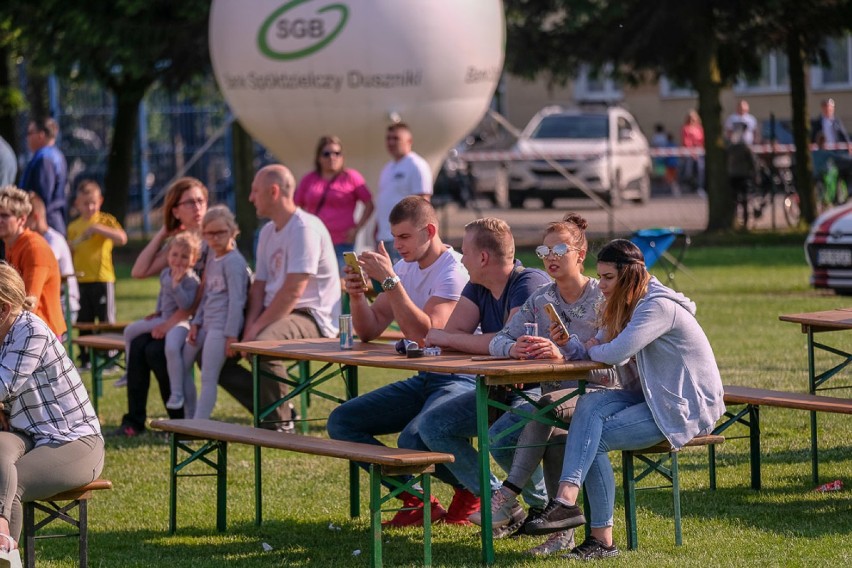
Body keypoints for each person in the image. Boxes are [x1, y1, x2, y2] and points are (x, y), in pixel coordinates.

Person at [524, 239, 725, 561]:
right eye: (600, 276)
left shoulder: (657, 307)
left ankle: (597, 537)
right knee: (587, 407)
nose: (599, 284)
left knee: (594, 438)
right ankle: (566, 502)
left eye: (607, 278)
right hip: (649, 399)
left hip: (684, 409)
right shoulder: (624, 305)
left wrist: (590, 348)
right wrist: (571, 344)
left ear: (628, 276)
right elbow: (596, 347)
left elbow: (615, 352)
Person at [471, 215, 622, 556]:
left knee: (547, 412)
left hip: (601, 395)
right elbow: (498, 339)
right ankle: (561, 533)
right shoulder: (541, 298)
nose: (550, 257)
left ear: (580, 254)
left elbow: (615, 366)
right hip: (556, 398)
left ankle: (508, 494)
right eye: (544, 250)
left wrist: (564, 355)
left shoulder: (604, 296)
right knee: (526, 431)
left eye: (559, 249)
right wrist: (514, 347)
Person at [326, 195, 470, 526]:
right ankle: (417, 500)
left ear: (429, 231)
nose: (398, 246)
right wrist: (358, 294)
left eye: (405, 237)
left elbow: (427, 335)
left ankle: (472, 490)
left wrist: (390, 282)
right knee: (342, 422)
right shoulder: (404, 267)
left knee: (413, 437)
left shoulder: (454, 271)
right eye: (395, 238)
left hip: (461, 378)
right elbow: (368, 330)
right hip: (426, 378)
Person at [411, 217, 551, 532]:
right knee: (432, 426)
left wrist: (453, 339)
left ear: (483, 257)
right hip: (496, 389)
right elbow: (457, 333)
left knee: (503, 436)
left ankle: (543, 508)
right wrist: (465, 340)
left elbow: (507, 341)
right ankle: (503, 504)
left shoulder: (529, 282)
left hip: (540, 390)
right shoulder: (477, 285)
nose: (461, 258)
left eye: (465, 251)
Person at [218, 164, 340, 432]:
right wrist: (249, 327)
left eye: (255, 191)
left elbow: (292, 291)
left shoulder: (305, 228)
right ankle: (280, 410)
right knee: (216, 350)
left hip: (312, 317)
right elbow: (259, 287)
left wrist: (254, 332)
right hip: (276, 313)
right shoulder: (267, 233)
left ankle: (279, 423)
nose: (251, 197)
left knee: (262, 347)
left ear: (274, 191)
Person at [0, 262, 104, 556]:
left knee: (11, 483)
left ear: (3, 309)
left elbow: (3, 386)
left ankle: (4, 549)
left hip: (75, 441)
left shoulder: (30, 330)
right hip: (28, 433)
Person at [114, 177, 209, 436]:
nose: (198, 207)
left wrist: (168, 323)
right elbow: (139, 271)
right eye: (190, 202)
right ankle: (134, 422)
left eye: (201, 201)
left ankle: (179, 422)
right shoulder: (176, 244)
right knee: (139, 343)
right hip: (173, 317)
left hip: (196, 319)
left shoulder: (210, 243)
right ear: (175, 210)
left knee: (155, 350)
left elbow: (200, 298)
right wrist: (164, 232)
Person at [121, 232, 200, 414]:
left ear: (193, 260)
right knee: (130, 331)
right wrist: (157, 311)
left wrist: (177, 285)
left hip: (180, 323)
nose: (178, 260)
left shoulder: (191, 280)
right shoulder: (165, 273)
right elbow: (163, 296)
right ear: (168, 256)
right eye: (174, 255)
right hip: (163, 316)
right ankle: (128, 371)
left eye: (184, 256)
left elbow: (186, 305)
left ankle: (177, 393)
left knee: (171, 347)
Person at [182, 206, 249, 419]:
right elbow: (207, 294)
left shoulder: (234, 262)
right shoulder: (213, 258)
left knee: (208, 377)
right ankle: (186, 415)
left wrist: (231, 335)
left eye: (221, 232)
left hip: (221, 329)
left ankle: (199, 423)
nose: (215, 238)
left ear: (233, 231)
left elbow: (237, 301)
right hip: (205, 324)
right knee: (180, 365)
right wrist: (196, 322)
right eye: (209, 233)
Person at [67, 180, 127, 368]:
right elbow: (71, 251)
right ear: (77, 204)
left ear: (100, 201)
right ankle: (85, 358)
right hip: (81, 280)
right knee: (84, 321)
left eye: (93, 202)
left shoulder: (105, 220)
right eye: (85, 203)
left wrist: (98, 229)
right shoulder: (73, 227)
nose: (90, 207)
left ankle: (110, 358)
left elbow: (122, 239)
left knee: (105, 321)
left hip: (102, 279)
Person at [294, 135, 375, 271]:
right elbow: (295, 206)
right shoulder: (309, 179)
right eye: (326, 154)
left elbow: (369, 204)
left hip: (343, 242)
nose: (332, 157)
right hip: (314, 240)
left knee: (344, 283)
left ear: (342, 157)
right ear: (319, 158)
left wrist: (357, 229)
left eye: (337, 153)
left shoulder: (351, 177)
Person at [0, 186, 65, 339]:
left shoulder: (34, 248)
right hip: (23, 328)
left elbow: (29, 303)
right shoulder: (11, 243)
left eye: (4, 216)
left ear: (22, 219)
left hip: (42, 333)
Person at [375, 123, 433, 262]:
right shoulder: (387, 168)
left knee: (401, 282)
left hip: (404, 239)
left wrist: (416, 239)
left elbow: (423, 204)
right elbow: (384, 201)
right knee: (386, 281)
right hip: (385, 236)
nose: (391, 142)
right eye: (388, 138)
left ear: (409, 141)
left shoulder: (416, 165)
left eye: (395, 138)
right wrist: (376, 230)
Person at [26, 192, 80, 324]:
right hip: (43, 304)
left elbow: (43, 271)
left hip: (64, 306)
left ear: (35, 217)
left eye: (23, 218)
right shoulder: (33, 241)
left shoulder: (53, 240)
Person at [19, 117, 68, 235]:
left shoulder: (45, 159)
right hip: (51, 221)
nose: (27, 138)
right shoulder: (56, 155)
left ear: (41, 135)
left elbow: (41, 197)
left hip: (45, 224)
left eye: (30, 133)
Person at [680, 110, 705, 192]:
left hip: (699, 152)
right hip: (689, 152)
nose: (692, 120)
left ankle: (700, 187)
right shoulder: (685, 128)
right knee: (688, 170)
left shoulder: (700, 128)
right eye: (690, 118)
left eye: (693, 119)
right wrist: (692, 151)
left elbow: (702, 140)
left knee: (701, 169)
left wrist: (698, 150)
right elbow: (686, 141)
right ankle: (688, 186)